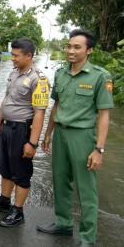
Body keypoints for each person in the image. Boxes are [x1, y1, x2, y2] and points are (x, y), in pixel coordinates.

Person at [37, 29, 114, 247]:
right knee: (60, 181)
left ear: (89, 50)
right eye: (69, 46)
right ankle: (63, 223)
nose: (71, 50)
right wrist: (48, 133)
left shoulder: (100, 76)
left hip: (83, 137)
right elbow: (56, 105)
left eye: (77, 47)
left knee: (86, 188)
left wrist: (99, 149)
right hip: (60, 133)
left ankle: (88, 238)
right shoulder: (60, 73)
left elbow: (104, 115)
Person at [0, 38, 49, 227]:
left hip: (22, 130)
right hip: (7, 127)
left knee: (21, 172)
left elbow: (39, 113)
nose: (13, 58)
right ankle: (4, 201)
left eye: (16, 55)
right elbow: (6, 100)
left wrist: (32, 143)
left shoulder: (39, 79)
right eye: (12, 54)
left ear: (29, 56)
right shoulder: (13, 74)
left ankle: (18, 212)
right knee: (4, 166)